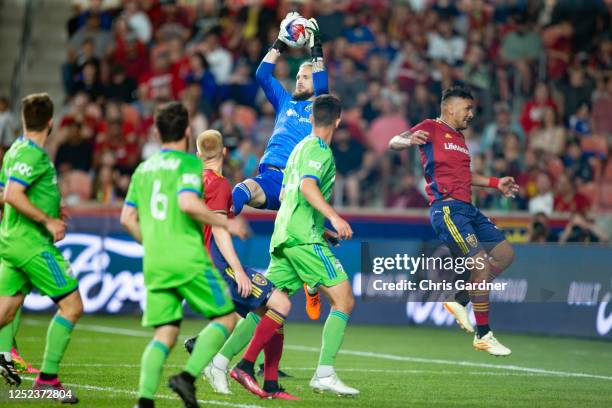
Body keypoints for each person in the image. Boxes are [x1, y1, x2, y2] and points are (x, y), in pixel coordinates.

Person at [231, 95, 359, 397]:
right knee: (344, 300)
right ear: (338, 121)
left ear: (311, 117)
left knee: (266, 306)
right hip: (302, 238)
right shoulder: (319, 150)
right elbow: (306, 187)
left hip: (286, 233)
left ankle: (228, 361)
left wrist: (322, 228)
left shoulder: (298, 147)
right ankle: (324, 373)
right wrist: (334, 218)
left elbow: (292, 196)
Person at [120, 102, 243, 408]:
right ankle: (187, 378)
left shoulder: (143, 169)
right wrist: (225, 221)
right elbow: (188, 203)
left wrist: (149, 244)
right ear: (187, 132)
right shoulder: (189, 165)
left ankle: (144, 401)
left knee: (164, 332)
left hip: (156, 261)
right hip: (187, 257)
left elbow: (126, 218)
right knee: (226, 318)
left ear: (156, 132)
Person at [389, 86, 519, 356]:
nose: (471, 114)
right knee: (480, 264)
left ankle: (460, 299)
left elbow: (466, 176)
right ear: (449, 108)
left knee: (505, 255)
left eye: (472, 109)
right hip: (446, 209)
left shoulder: (459, 139)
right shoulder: (430, 127)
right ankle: (483, 335)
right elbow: (393, 142)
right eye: (467, 108)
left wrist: (497, 183)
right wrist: (408, 141)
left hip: (468, 209)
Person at [183, 129, 296, 400]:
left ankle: (215, 360)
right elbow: (220, 233)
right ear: (224, 152)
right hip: (219, 264)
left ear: (198, 155)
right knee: (280, 304)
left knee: (246, 314)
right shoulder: (220, 185)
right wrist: (239, 272)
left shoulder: (192, 182)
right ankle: (238, 367)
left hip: (198, 262)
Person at [231, 13, 329, 321]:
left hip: (294, 182)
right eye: (298, 76)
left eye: (306, 76)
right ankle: (219, 228)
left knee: (284, 279)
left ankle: (311, 284)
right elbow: (263, 75)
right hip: (270, 178)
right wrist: (280, 43)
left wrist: (316, 49)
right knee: (243, 189)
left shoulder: (319, 106)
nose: (300, 79)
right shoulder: (286, 102)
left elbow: (323, 83)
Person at [0, 94, 82, 402]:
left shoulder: (14, 152)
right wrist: (47, 220)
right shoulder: (32, 154)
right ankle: (48, 379)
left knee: (5, 313)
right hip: (31, 245)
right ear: (51, 122)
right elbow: (12, 194)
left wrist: (46, 206)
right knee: (72, 306)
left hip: (11, 242)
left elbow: (4, 194)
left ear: (23, 119)